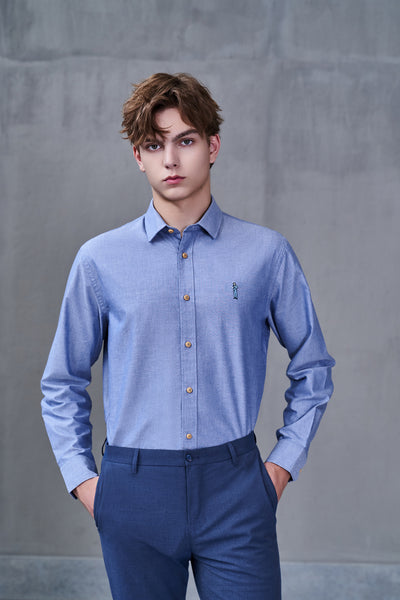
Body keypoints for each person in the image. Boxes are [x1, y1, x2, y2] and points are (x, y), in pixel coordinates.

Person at [41, 72, 334, 600]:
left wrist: (280, 468)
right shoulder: (99, 261)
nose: (171, 160)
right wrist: (86, 483)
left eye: (186, 140)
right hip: (133, 489)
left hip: (236, 489)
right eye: (155, 145)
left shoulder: (266, 253)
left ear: (212, 146)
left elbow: (314, 368)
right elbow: (61, 382)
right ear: (138, 156)